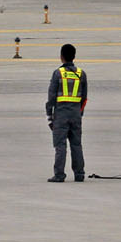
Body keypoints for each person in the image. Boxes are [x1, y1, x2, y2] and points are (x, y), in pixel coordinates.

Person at [46, 43, 87, 182]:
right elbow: (84, 98)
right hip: (76, 114)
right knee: (76, 144)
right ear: (74, 56)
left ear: (61, 57)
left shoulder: (58, 73)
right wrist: (79, 113)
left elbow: (51, 98)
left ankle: (59, 174)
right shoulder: (81, 74)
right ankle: (79, 174)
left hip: (61, 115)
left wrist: (49, 117)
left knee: (60, 145)